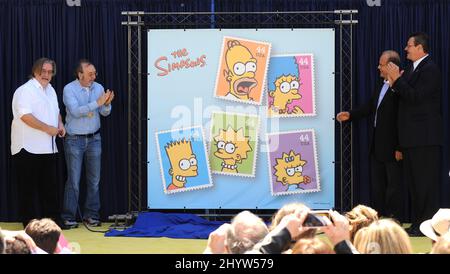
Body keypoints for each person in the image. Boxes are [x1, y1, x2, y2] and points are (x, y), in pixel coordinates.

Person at [386, 32, 443, 236]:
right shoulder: (411, 69)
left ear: (420, 48)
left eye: (409, 45)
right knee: (415, 185)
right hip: (411, 139)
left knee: (425, 185)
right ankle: (420, 222)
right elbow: (404, 97)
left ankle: (427, 226)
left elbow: (416, 98)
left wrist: (396, 80)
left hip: (424, 139)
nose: (406, 49)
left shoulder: (430, 69)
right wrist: (395, 82)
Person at [336, 50, 403, 220]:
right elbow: (369, 107)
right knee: (378, 186)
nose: (378, 67)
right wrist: (350, 115)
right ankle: (379, 218)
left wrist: (399, 147)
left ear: (391, 66)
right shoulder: (380, 85)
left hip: (393, 146)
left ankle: (393, 219)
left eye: (381, 64)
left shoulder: (402, 87)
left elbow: (403, 120)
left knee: (394, 186)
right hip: (377, 145)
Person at [11, 57, 65, 228]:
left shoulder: (51, 90)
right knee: (27, 189)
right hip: (27, 147)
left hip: (47, 148)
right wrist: (46, 128)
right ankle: (29, 224)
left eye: (50, 72)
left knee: (49, 188)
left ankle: (52, 222)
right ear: (35, 71)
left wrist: (60, 125)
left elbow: (56, 111)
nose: (47, 75)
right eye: (43, 71)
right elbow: (25, 115)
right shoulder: (25, 91)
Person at [61, 59, 114, 228]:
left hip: (94, 139)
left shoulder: (98, 88)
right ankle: (69, 216)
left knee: (94, 180)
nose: (94, 76)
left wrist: (106, 104)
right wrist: (97, 103)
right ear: (80, 74)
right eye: (90, 74)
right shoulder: (69, 89)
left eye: (94, 73)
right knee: (74, 181)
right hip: (74, 139)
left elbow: (105, 113)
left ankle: (91, 215)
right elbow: (75, 112)